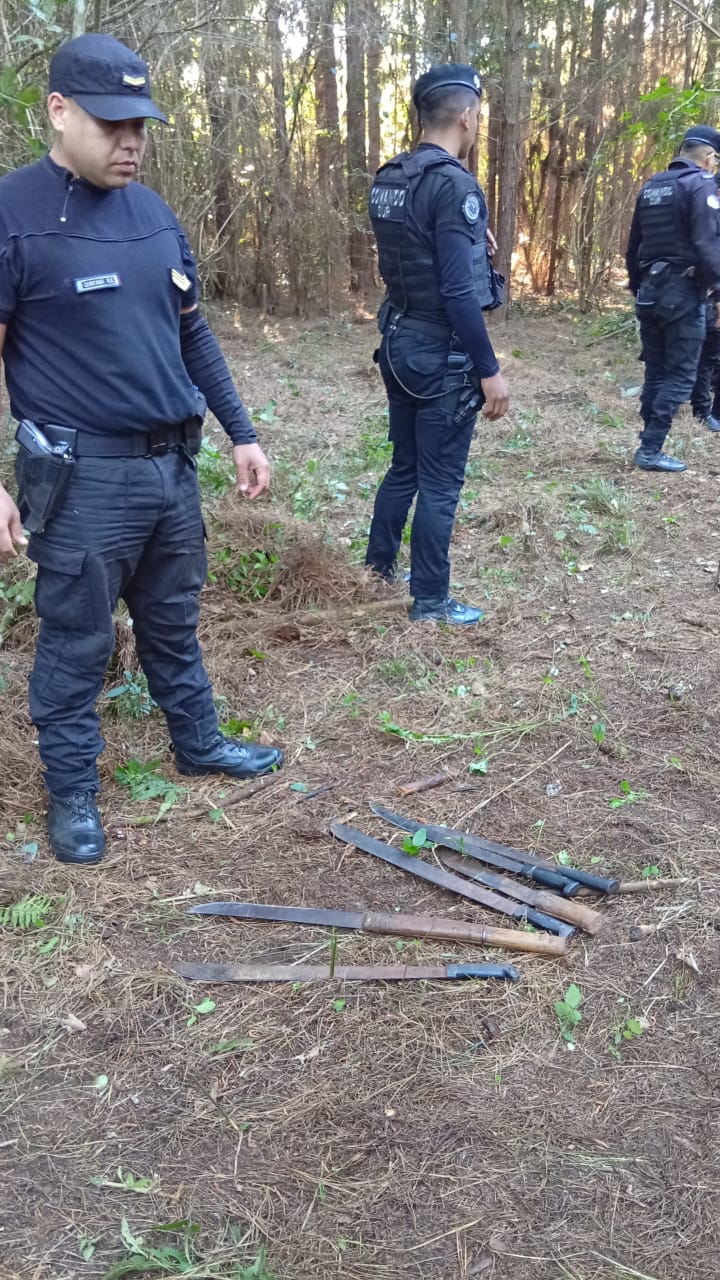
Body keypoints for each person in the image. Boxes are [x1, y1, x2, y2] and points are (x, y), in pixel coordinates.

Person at [0, 34, 283, 867]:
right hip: (80, 479)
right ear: (58, 110)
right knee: (77, 640)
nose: (130, 141)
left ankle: (198, 742)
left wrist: (243, 432)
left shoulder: (155, 215)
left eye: (142, 126)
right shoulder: (12, 214)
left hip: (171, 468)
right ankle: (74, 795)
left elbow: (193, 336)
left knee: (172, 619)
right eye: (112, 123)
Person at [365, 63, 509, 624]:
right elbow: (456, 289)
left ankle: (378, 568)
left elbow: (412, 250)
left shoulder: (391, 177)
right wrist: (488, 367)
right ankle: (429, 600)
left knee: (404, 467)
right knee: (440, 482)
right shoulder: (454, 184)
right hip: (439, 355)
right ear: (468, 116)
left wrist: (470, 239)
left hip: (397, 341)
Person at [626, 125, 720, 473]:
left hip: (650, 291)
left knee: (656, 369)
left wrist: (638, 288)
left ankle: (648, 437)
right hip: (681, 292)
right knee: (681, 374)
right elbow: (708, 243)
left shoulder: (652, 185)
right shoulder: (701, 185)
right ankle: (650, 450)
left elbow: (634, 246)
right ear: (709, 158)